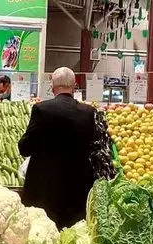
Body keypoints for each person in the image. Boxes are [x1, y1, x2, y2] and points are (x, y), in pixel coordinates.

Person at [18, 67, 96, 229]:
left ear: (52, 87)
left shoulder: (41, 109)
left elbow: (25, 148)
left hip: (45, 191)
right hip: (77, 192)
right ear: (74, 86)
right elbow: (95, 148)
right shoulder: (89, 112)